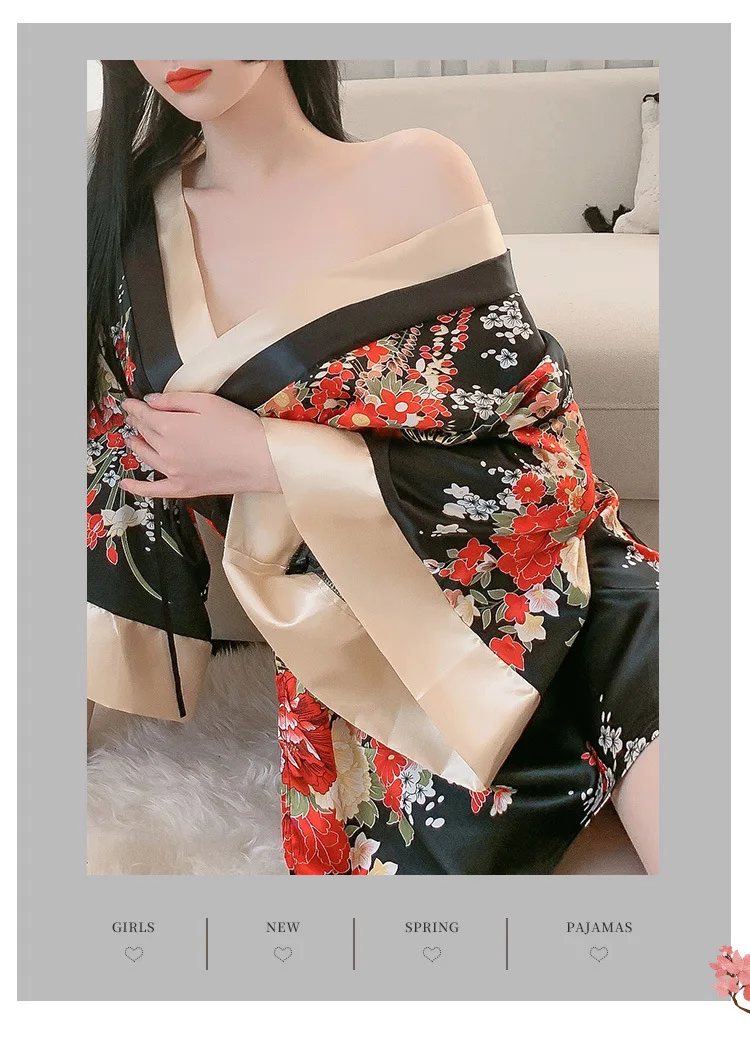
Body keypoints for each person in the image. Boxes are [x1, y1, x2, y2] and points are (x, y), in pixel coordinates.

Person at [87, 59, 659, 875]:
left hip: (561, 583)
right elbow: (110, 489)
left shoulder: (417, 173)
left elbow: (546, 461)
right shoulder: (127, 229)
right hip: (370, 664)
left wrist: (267, 456)